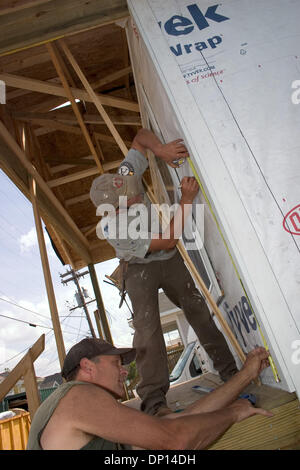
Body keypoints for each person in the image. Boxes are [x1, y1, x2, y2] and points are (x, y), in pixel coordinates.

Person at [90, 128, 239, 416]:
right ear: (112, 210)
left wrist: (160, 149)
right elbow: (169, 239)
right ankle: (155, 402)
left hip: (168, 258)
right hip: (139, 268)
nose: (135, 197)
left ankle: (231, 374)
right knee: (148, 333)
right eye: (128, 200)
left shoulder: (125, 176)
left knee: (198, 311)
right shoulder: (114, 230)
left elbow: (139, 137)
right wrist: (185, 200)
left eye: (130, 190)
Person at [26, 338, 272, 450]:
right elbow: (175, 440)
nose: (124, 372)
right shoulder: (77, 398)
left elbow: (173, 423)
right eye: (116, 364)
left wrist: (246, 375)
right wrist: (233, 413)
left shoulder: (83, 409)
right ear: (88, 367)